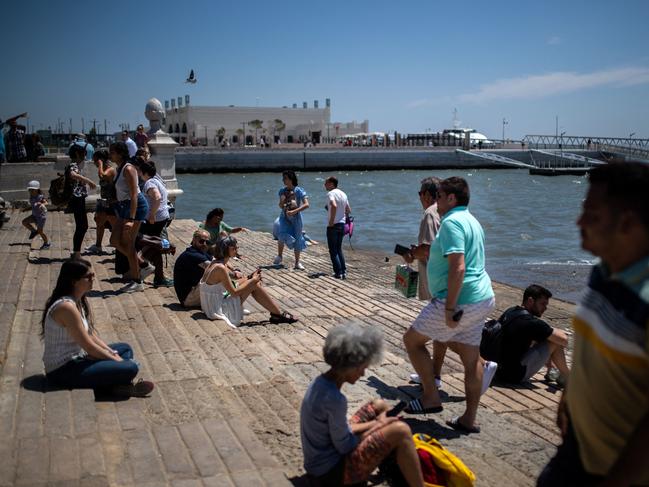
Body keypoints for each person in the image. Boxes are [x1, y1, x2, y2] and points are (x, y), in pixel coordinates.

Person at [538, 162, 649, 486]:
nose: (579, 222)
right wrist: (570, 395)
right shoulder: (605, 271)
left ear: (627, 222)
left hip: (615, 472)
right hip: (577, 449)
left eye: (592, 214)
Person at [403, 177, 495, 434]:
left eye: (440, 197)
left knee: (412, 341)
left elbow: (459, 266)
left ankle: (431, 397)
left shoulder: (452, 222)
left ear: (452, 198)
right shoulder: (472, 221)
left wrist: (448, 308)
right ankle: (469, 418)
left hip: (459, 299)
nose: (436, 201)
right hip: (482, 297)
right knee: (470, 358)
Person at [300, 324, 424, 487]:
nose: (363, 373)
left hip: (319, 461)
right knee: (401, 430)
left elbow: (339, 431)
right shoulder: (334, 399)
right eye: (362, 368)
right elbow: (345, 446)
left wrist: (376, 423)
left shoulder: (320, 383)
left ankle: (394, 469)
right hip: (330, 474)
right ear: (349, 366)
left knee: (378, 405)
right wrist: (379, 425)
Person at [41, 258, 154, 397]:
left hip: (79, 358)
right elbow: (88, 346)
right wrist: (117, 361)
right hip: (62, 370)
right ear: (74, 281)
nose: (92, 279)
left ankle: (115, 385)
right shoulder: (66, 307)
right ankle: (114, 387)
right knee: (130, 367)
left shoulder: (77, 299)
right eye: (88, 277)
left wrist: (110, 353)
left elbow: (90, 334)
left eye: (93, 275)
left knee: (125, 348)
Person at [200, 236, 298, 327]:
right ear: (226, 250)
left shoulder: (215, 262)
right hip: (218, 308)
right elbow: (234, 292)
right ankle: (278, 314)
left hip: (212, 304)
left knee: (252, 281)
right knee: (254, 284)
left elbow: (233, 283)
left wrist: (249, 278)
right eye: (234, 248)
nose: (236, 249)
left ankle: (276, 312)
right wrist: (252, 281)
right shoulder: (220, 268)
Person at [487, 285, 569, 386]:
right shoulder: (531, 323)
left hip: (497, 371)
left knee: (543, 336)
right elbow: (564, 340)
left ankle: (551, 369)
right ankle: (567, 377)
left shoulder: (511, 311)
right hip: (514, 375)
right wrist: (556, 331)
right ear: (530, 301)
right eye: (542, 304)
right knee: (555, 340)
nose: (545, 308)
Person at [109, 141, 149, 293]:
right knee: (114, 240)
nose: (110, 154)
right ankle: (143, 265)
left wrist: (131, 220)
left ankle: (137, 281)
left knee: (129, 244)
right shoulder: (119, 169)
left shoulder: (129, 168)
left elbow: (134, 194)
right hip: (124, 207)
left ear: (120, 153)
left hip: (136, 207)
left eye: (112, 151)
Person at [137, 160, 173, 287]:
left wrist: (151, 214)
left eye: (140, 171)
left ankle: (144, 268)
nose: (139, 173)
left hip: (154, 219)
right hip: (162, 217)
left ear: (144, 172)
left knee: (145, 244)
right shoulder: (157, 181)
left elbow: (156, 197)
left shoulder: (149, 183)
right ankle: (158, 276)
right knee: (153, 245)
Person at [273, 170, 309, 270]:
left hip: (296, 218)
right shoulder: (282, 191)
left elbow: (307, 205)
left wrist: (295, 211)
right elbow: (280, 206)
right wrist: (282, 200)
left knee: (298, 239)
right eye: (283, 178)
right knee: (281, 234)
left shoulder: (299, 191)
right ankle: (279, 256)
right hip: (284, 217)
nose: (283, 180)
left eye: (285, 178)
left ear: (291, 179)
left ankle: (297, 263)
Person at [67, 144, 97, 259]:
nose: (85, 156)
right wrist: (88, 181)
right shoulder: (73, 165)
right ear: (77, 154)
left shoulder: (76, 165)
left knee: (82, 226)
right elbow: (73, 175)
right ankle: (76, 252)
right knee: (82, 226)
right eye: (83, 154)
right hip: (77, 199)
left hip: (79, 199)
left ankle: (76, 252)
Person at [86, 149, 117, 255]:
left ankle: (118, 247)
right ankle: (98, 245)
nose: (94, 163)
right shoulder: (104, 168)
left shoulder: (110, 170)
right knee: (99, 223)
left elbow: (102, 176)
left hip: (111, 202)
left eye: (95, 160)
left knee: (115, 226)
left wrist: (100, 164)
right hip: (104, 201)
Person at [173, 229, 213, 307]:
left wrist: (235, 270)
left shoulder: (201, 252)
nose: (204, 244)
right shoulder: (192, 255)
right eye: (201, 241)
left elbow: (216, 260)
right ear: (194, 240)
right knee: (216, 274)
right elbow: (215, 268)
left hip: (193, 292)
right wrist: (233, 274)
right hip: (188, 298)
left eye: (207, 242)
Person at [324, 176, 351, 279]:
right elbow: (348, 210)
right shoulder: (343, 194)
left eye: (326, 183)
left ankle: (338, 272)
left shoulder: (330, 193)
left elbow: (334, 205)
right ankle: (343, 271)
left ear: (331, 184)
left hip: (333, 225)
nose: (324, 185)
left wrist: (331, 221)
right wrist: (339, 213)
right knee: (338, 249)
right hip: (342, 224)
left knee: (333, 250)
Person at [22, 180, 50, 249]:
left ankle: (47, 243)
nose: (30, 191)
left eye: (32, 190)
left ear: (37, 189)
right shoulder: (32, 197)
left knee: (40, 231)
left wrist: (41, 204)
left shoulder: (40, 196)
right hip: (34, 215)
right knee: (24, 222)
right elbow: (32, 205)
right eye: (29, 190)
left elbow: (46, 203)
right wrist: (26, 209)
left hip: (41, 217)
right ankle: (34, 231)